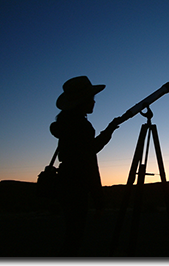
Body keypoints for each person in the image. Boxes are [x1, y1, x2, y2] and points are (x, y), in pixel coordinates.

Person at [50, 76, 122, 256]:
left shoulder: (67, 124)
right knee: (74, 238)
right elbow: (89, 162)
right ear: (82, 101)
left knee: (71, 235)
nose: (94, 101)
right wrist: (99, 200)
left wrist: (109, 131)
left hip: (65, 184)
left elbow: (88, 151)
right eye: (91, 98)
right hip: (76, 186)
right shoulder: (81, 126)